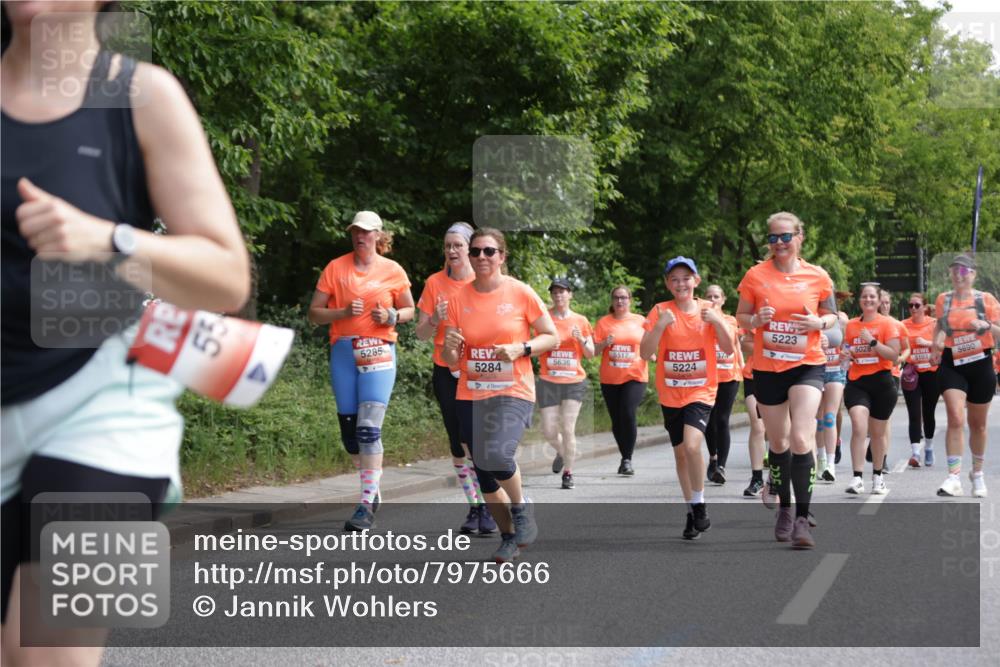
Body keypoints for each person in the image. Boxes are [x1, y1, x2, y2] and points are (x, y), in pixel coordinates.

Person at [2, 4, 251, 664]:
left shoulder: (144, 95)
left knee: (48, 654)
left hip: (111, 410)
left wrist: (108, 240)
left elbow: (227, 275)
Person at [441, 228, 558, 562]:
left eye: (489, 252)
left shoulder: (520, 292)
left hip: (513, 389)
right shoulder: (458, 299)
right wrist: (450, 350)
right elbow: (453, 359)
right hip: (471, 391)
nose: (481, 257)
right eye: (476, 251)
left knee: (496, 455)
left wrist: (521, 348)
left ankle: (521, 509)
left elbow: (551, 337)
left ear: (502, 256)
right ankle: (508, 536)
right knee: (483, 469)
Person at [735, 212, 838, 549]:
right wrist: (755, 319)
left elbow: (833, 315)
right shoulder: (755, 276)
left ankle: (803, 520)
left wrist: (818, 325)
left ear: (799, 237)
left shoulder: (818, 276)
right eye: (773, 238)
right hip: (767, 368)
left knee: (801, 437)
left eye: (785, 236)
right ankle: (784, 508)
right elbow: (741, 317)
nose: (779, 243)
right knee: (778, 443)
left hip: (807, 364)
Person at [309, 211, 415, 531]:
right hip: (343, 351)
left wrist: (393, 316)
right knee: (351, 435)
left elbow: (411, 309)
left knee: (369, 429)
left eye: (367, 232)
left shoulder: (393, 270)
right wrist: (341, 312)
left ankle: (366, 503)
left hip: (379, 351)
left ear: (379, 236)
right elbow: (314, 314)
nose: (361, 236)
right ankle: (373, 485)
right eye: (356, 231)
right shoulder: (335, 268)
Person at [640, 257, 734, 540]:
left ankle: (701, 503)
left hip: (701, 391)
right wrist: (659, 327)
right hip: (670, 393)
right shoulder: (660, 311)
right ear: (668, 284)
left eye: (686, 278)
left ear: (696, 281)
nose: (681, 283)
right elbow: (645, 353)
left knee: (693, 446)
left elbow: (729, 350)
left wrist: (718, 322)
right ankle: (691, 510)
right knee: (680, 454)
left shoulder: (709, 311)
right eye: (674, 279)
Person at [415, 222, 496, 535]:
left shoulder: (483, 281)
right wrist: (435, 318)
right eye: (447, 246)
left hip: (478, 368)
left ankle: (490, 505)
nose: (451, 251)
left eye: (457, 246)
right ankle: (474, 506)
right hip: (444, 369)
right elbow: (421, 334)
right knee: (457, 441)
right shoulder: (435, 283)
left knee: (477, 438)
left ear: (470, 248)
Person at [932, 254, 999, 498]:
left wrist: (985, 326)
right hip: (953, 363)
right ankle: (953, 477)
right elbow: (939, 326)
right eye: (955, 271)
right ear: (951, 275)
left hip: (981, 362)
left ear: (973, 274)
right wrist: (935, 345)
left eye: (964, 271)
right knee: (955, 417)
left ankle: (977, 474)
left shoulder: (986, 300)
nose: (959, 276)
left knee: (978, 425)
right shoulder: (943, 300)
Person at [842, 284, 901, 495]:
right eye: (864, 296)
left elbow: (894, 355)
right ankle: (857, 477)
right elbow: (846, 349)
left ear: (878, 301)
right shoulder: (850, 326)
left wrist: (873, 342)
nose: (868, 299)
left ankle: (878, 475)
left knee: (877, 433)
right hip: (857, 382)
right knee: (858, 425)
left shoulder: (887, 324)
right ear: (860, 300)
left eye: (872, 297)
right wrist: (845, 356)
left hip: (882, 383)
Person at [537, 278, 594, 490]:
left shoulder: (580, 320)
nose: (558, 295)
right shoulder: (544, 320)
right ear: (551, 296)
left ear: (570, 295)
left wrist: (581, 340)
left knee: (568, 428)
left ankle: (568, 473)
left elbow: (590, 353)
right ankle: (562, 452)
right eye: (555, 292)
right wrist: (548, 345)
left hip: (573, 381)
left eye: (562, 292)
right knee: (549, 430)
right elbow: (535, 349)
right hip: (548, 380)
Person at [595, 285, 649, 476]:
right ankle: (624, 456)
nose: (620, 301)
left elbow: (650, 343)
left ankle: (627, 459)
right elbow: (593, 350)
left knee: (627, 411)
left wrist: (652, 355)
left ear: (630, 300)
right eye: (617, 298)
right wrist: (604, 343)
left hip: (635, 375)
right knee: (616, 420)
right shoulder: (604, 322)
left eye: (624, 298)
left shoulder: (641, 321)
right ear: (612, 301)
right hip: (610, 378)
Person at [703, 284, 742, 485]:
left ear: (723, 299)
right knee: (709, 419)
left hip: (729, 376)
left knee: (723, 419)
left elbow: (734, 345)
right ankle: (713, 457)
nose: (712, 299)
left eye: (716, 296)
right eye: (708, 296)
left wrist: (743, 367)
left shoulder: (730, 320)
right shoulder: (699, 323)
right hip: (707, 378)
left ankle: (722, 466)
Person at [900, 292, 940, 467]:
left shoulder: (934, 324)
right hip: (912, 373)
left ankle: (929, 448)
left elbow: (945, 346)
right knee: (914, 414)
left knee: (928, 413)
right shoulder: (902, 325)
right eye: (911, 305)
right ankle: (916, 453)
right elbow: (899, 347)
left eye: (917, 305)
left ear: (925, 307)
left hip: (932, 373)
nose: (913, 308)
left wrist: (928, 343)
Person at [816, 310, 848, 482]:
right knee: (818, 420)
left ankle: (830, 464)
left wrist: (846, 356)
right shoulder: (811, 315)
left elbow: (848, 345)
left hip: (836, 372)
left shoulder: (840, 318)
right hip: (816, 371)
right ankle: (820, 458)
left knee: (830, 417)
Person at [738, 326, 768, 497]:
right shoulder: (757, 318)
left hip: (780, 376)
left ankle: (777, 479)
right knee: (757, 426)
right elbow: (745, 345)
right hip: (753, 376)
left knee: (778, 430)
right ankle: (757, 478)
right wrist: (771, 346)